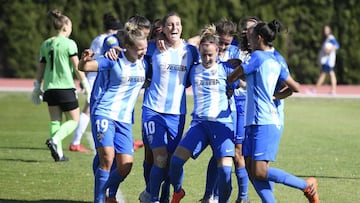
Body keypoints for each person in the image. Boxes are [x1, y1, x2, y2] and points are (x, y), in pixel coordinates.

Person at [227, 19, 319, 203]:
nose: (247, 36)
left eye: (250, 34)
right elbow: (295, 87)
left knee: (259, 171)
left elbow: (232, 77)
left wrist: (236, 68)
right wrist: (274, 95)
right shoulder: (274, 58)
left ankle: (306, 185)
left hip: (265, 120)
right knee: (253, 171)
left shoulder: (258, 57)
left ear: (259, 37)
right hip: (254, 120)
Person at [78, 24, 149, 203]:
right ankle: (100, 199)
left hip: (124, 120)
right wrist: (84, 59)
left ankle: (103, 188)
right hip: (104, 113)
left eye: (145, 48)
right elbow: (86, 67)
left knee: (125, 165)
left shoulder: (144, 63)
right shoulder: (113, 58)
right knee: (108, 158)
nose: (143, 52)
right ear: (128, 47)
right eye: (139, 49)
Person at [169, 24, 238, 203]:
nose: (207, 58)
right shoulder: (193, 70)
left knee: (224, 172)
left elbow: (232, 88)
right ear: (199, 51)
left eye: (211, 55)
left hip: (222, 125)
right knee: (175, 163)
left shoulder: (226, 69)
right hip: (199, 124)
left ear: (218, 52)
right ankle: (178, 191)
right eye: (204, 54)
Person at [140, 12, 199, 203]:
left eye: (178, 24)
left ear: (181, 27)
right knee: (159, 158)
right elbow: (131, 49)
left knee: (171, 162)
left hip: (177, 114)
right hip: (153, 111)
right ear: (163, 29)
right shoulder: (152, 48)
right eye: (170, 25)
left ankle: (159, 193)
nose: (174, 28)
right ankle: (154, 197)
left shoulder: (190, 51)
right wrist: (115, 47)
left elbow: (209, 50)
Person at [199, 18, 250, 203]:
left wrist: (236, 81)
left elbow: (244, 80)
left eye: (226, 44)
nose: (222, 46)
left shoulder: (238, 52)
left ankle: (243, 196)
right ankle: (209, 195)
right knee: (218, 153)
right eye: (220, 42)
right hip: (218, 109)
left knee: (236, 153)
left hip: (237, 107)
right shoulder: (209, 50)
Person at [31, 9, 90, 162]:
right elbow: (77, 67)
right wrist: (85, 84)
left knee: (55, 121)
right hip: (65, 88)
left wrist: (37, 86)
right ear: (65, 27)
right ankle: (55, 140)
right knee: (74, 121)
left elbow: (41, 68)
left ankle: (59, 154)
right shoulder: (69, 43)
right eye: (70, 26)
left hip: (49, 89)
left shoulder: (46, 44)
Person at [69, 12, 122, 153]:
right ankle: (76, 141)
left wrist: (84, 77)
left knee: (90, 110)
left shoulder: (97, 39)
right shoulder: (109, 40)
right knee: (89, 110)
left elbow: (89, 57)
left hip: (92, 76)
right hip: (98, 78)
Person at [313, 24, 340, 95]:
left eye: (327, 30)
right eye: (325, 30)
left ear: (330, 30)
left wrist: (329, 50)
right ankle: (333, 90)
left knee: (324, 74)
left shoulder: (331, 38)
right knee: (330, 74)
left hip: (328, 60)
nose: (325, 31)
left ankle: (315, 90)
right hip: (327, 60)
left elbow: (337, 45)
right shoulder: (326, 38)